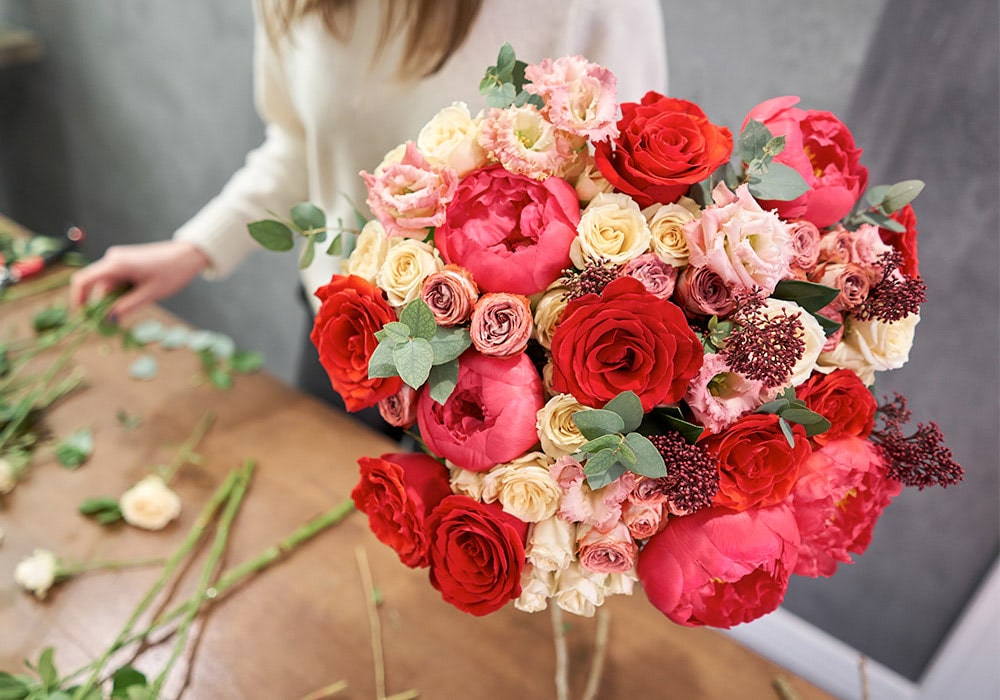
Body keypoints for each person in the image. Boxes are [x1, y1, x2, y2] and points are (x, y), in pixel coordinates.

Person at [70, 0, 669, 431]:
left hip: (513, 380)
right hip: (349, 337)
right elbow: (300, 145)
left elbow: (629, 190)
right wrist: (194, 249)